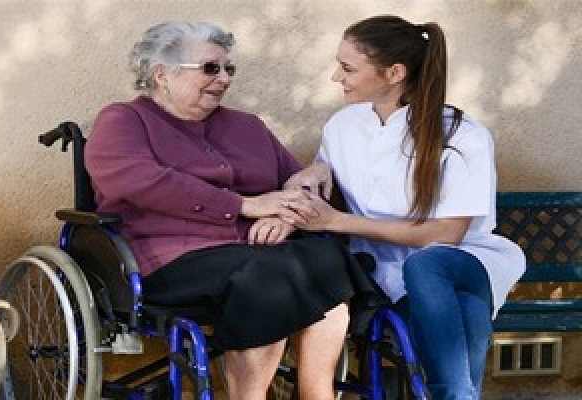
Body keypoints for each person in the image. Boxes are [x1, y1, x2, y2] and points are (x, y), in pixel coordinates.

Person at [85, 21, 376, 400]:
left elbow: (294, 184)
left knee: (324, 257)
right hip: (172, 259)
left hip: (260, 256)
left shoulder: (247, 126)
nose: (223, 79)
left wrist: (284, 214)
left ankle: (315, 394)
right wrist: (245, 205)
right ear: (162, 74)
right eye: (210, 68)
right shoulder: (123, 120)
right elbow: (137, 180)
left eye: (228, 69)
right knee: (274, 275)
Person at [288, 15, 526, 399]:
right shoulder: (342, 127)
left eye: (348, 68)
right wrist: (311, 172)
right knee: (466, 310)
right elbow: (323, 169)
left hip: (462, 261)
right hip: (383, 276)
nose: (336, 77)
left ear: (394, 72)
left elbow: (447, 235)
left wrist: (341, 221)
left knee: (428, 263)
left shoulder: (462, 134)